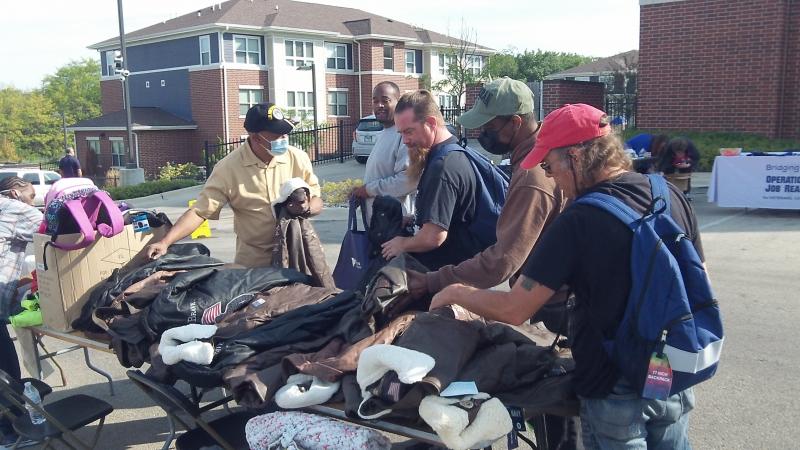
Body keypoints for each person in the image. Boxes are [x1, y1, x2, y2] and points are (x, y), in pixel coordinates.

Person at [430, 104, 701, 449]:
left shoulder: (579, 218)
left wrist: (456, 292)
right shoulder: (668, 193)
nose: (550, 175)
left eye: (549, 165)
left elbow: (516, 309)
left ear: (575, 156)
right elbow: (696, 277)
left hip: (613, 384)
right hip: (670, 371)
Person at [406, 77, 564, 296]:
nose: (482, 133)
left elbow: (503, 260)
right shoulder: (536, 158)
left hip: (560, 300)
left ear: (516, 122)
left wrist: (433, 281)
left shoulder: (532, 176)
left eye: (489, 126)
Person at [146, 103, 322, 267]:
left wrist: (306, 208)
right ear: (256, 137)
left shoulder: (297, 158)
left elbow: (316, 199)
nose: (284, 138)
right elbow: (200, 211)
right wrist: (165, 242)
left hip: (299, 255)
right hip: (254, 262)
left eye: (285, 133)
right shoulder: (228, 168)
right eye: (277, 135)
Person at [381, 90, 497, 270]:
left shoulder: (442, 167)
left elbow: (433, 238)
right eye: (401, 133)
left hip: (448, 274)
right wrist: (416, 218)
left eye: (409, 131)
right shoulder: (454, 150)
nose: (405, 140)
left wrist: (402, 244)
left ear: (431, 123)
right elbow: (452, 213)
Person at [0, 176, 43, 446]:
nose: (33, 201)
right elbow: (55, 230)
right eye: (31, 196)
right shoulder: (13, 208)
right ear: (16, 193)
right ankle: (11, 432)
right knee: (6, 372)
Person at [351, 81, 418, 222]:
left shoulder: (404, 135)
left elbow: (409, 180)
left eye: (385, 100)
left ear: (398, 103)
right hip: (378, 225)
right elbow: (380, 174)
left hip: (395, 225)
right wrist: (362, 191)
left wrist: (369, 190)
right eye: (375, 101)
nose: (379, 105)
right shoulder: (384, 133)